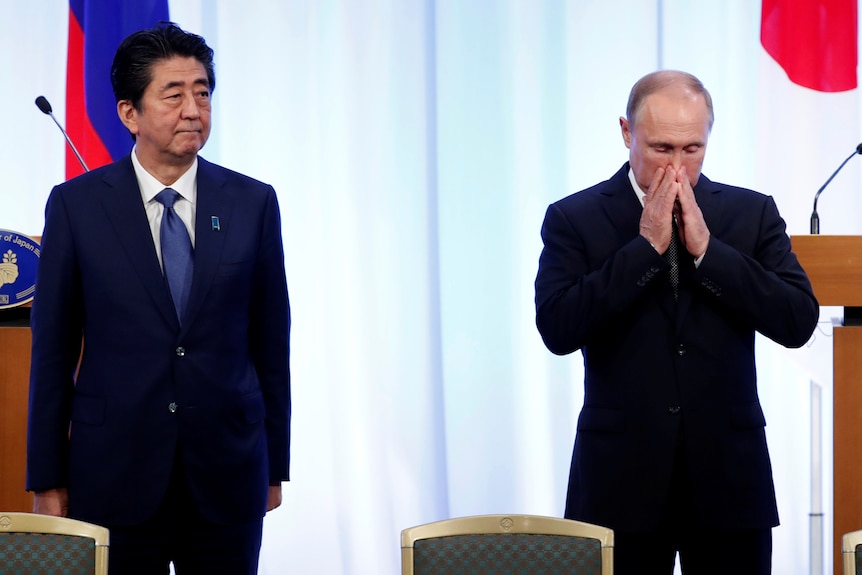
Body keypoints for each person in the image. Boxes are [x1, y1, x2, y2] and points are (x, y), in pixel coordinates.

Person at [26, 22, 290, 575]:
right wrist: (46, 479)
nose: (193, 109)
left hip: (227, 475)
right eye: (174, 94)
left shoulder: (252, 202)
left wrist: (274, 464)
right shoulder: (77, 207)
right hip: (112, 477)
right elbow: (51, 356)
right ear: (129, 114)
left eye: (202, 92)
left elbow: (271, 343)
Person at [534, 70, 818, 575]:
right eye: (662, 147)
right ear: (627, 133)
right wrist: (644, 249)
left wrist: (710, 253)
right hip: (619, 484)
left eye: (693, 149)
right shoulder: (573, 218)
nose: (678, 166)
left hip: (730, 482)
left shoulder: (751, 214)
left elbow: (796, 320)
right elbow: (558, 328)